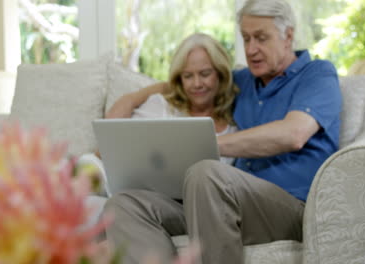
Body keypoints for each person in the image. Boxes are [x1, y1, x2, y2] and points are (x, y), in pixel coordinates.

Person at [103, 0, 343, 263]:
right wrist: (138, 94)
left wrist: (207, 143)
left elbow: (293, 134)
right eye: (246, 38)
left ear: (288, 36)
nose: (251, 50)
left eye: (261, 38)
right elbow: (190, 81)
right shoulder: (243, 81)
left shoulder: (318, 74)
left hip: (290, 207)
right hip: (223, 202)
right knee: (125, 204)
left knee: (205, 173)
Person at [78, 32, 238, 198]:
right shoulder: (162, 106)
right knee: (87, 168)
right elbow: (113, 149)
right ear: (179, 78)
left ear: (220, 74)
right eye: (188, 76)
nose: (197, 84)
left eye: (205, 74)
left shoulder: (236, 122)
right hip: (140, 190)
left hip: (194, 202)